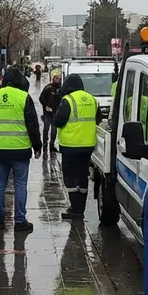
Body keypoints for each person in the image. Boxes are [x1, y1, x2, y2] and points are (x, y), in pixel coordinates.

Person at [0, 68, 43, 231]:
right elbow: (32, 125)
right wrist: (37, 146)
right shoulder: (23, 97)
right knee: (20, 185)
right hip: (20, 149)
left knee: (0, 183)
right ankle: (19, 221)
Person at [52, 74, 99, 220]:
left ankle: (75, 209)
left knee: (70, 176)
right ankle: (81, 208)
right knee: (82, 175)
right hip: (88, 145)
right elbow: (98, 119)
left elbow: (58, 121)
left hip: (70, 145)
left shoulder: (68, 100)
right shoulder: (92, 99)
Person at [38, 73, 63, 151]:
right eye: (56, 78)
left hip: (56, 113)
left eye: (59, 78)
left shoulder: (61, 89)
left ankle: (52, 145)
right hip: (48, 113)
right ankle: (44, 145)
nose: (57, 80)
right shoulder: (48, 88)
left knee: (54, 130)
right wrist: (46, 106)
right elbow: (41, 98)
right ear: (53, 79)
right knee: (46, 128)